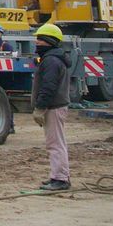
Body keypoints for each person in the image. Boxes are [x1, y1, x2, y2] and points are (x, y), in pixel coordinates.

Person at [31, 23, 70, 191]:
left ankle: (60, 179)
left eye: (40, 39)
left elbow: (49, 87)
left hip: (53, 107)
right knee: (55, 143)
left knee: (55, 144)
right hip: (54, 107)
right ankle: (58, 176)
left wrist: (40, 107)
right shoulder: (53, 59)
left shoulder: (52, 61)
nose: (37, 43)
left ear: (49, 41)